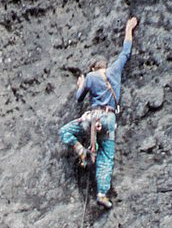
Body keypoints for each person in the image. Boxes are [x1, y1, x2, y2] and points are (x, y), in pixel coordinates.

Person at [59, 16, 138, 209]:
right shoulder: (114, 71)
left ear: (94, 67)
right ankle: (102, 194)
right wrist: (129, 29)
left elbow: (79, 98)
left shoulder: (90, 77)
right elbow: (126, 52)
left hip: (91, 119)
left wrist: (81, 84)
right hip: (109, 121)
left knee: (65, 131)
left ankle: (82, 152)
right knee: (106, 158)